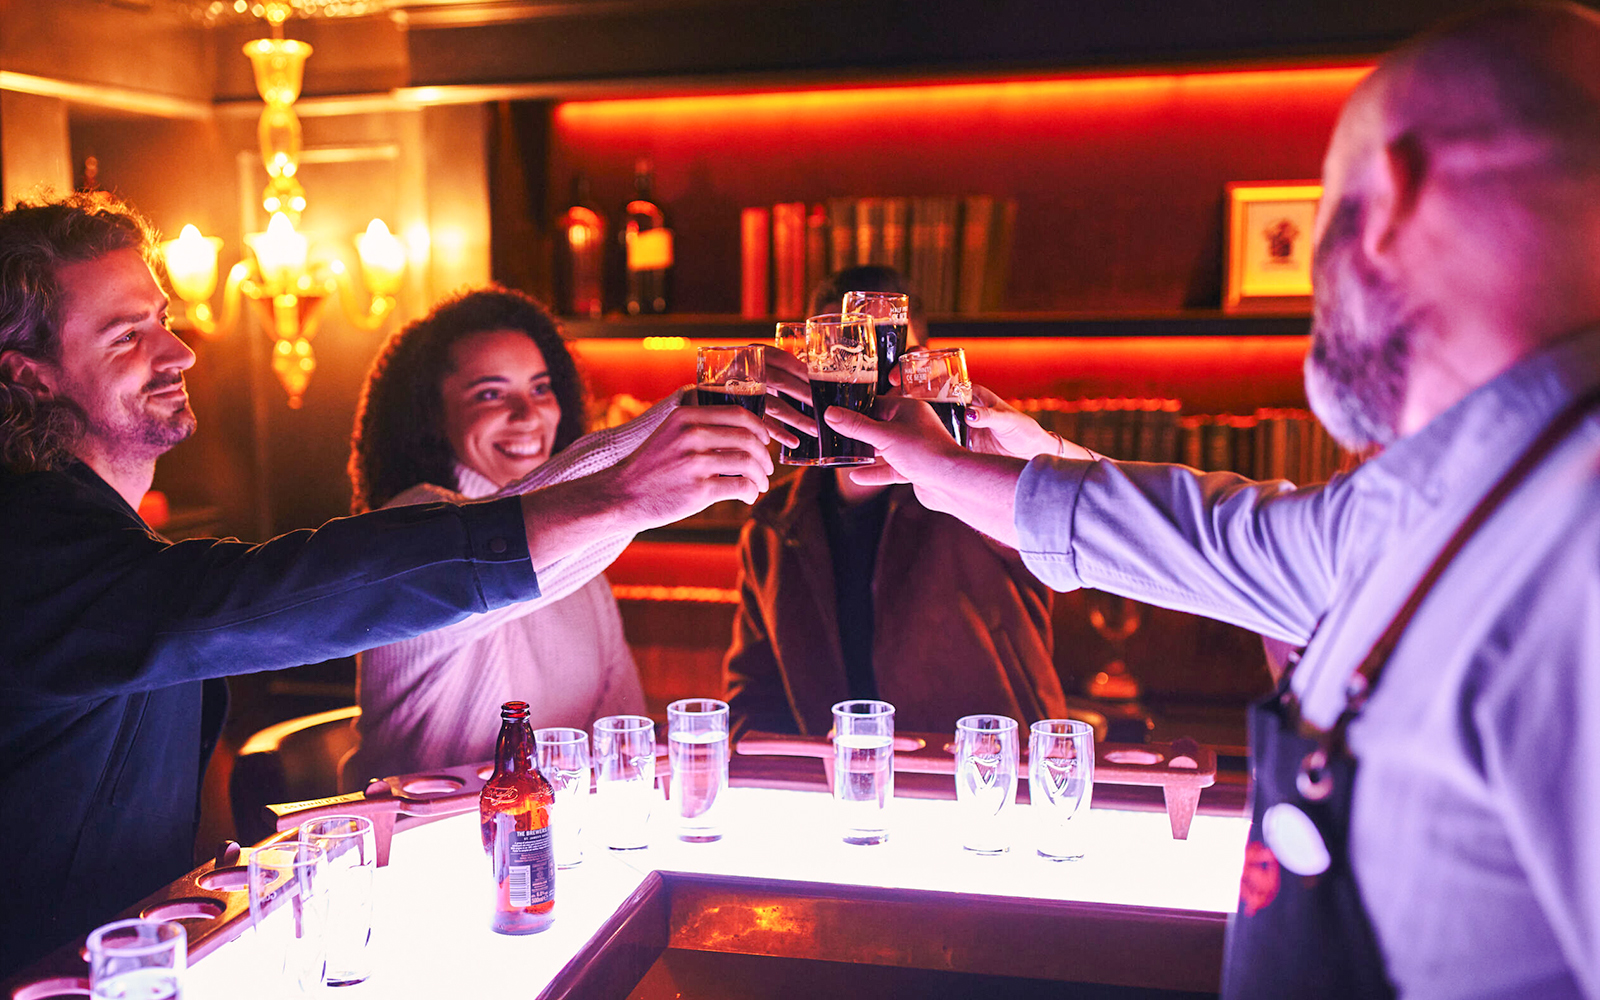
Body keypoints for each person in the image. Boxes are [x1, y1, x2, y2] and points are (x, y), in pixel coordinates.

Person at [826, 4, 1600, 996]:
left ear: (1391, 197)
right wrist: (959, 463)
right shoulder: (1448, 498)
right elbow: (1211, 539)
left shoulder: (1574, 539)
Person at [0, 192, 774, 976]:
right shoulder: (30, 545)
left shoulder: (98, 536)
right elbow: (280, 596)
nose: (180, 353)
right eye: (127, 335)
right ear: (28, 378)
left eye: (162, 318)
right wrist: (636, 480)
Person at [724, 266, 1065, 736]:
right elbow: (752, 698)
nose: (852, 373)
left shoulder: (973, 491)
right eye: (832, 352)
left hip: (987, 776)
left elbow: (1058, 528)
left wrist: (963, 461)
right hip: (841, 788)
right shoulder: (772, 524)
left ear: (918, 364)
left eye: (871, 351)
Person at [341, 287, 645, 787]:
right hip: (412, 850)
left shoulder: (584, 555)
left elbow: (624, 740)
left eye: (541, 388)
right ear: (433, 417)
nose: (528, 415)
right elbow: (508, 540)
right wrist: (649, 470)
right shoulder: (413, 525)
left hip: (555, 845)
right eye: (490, 393)